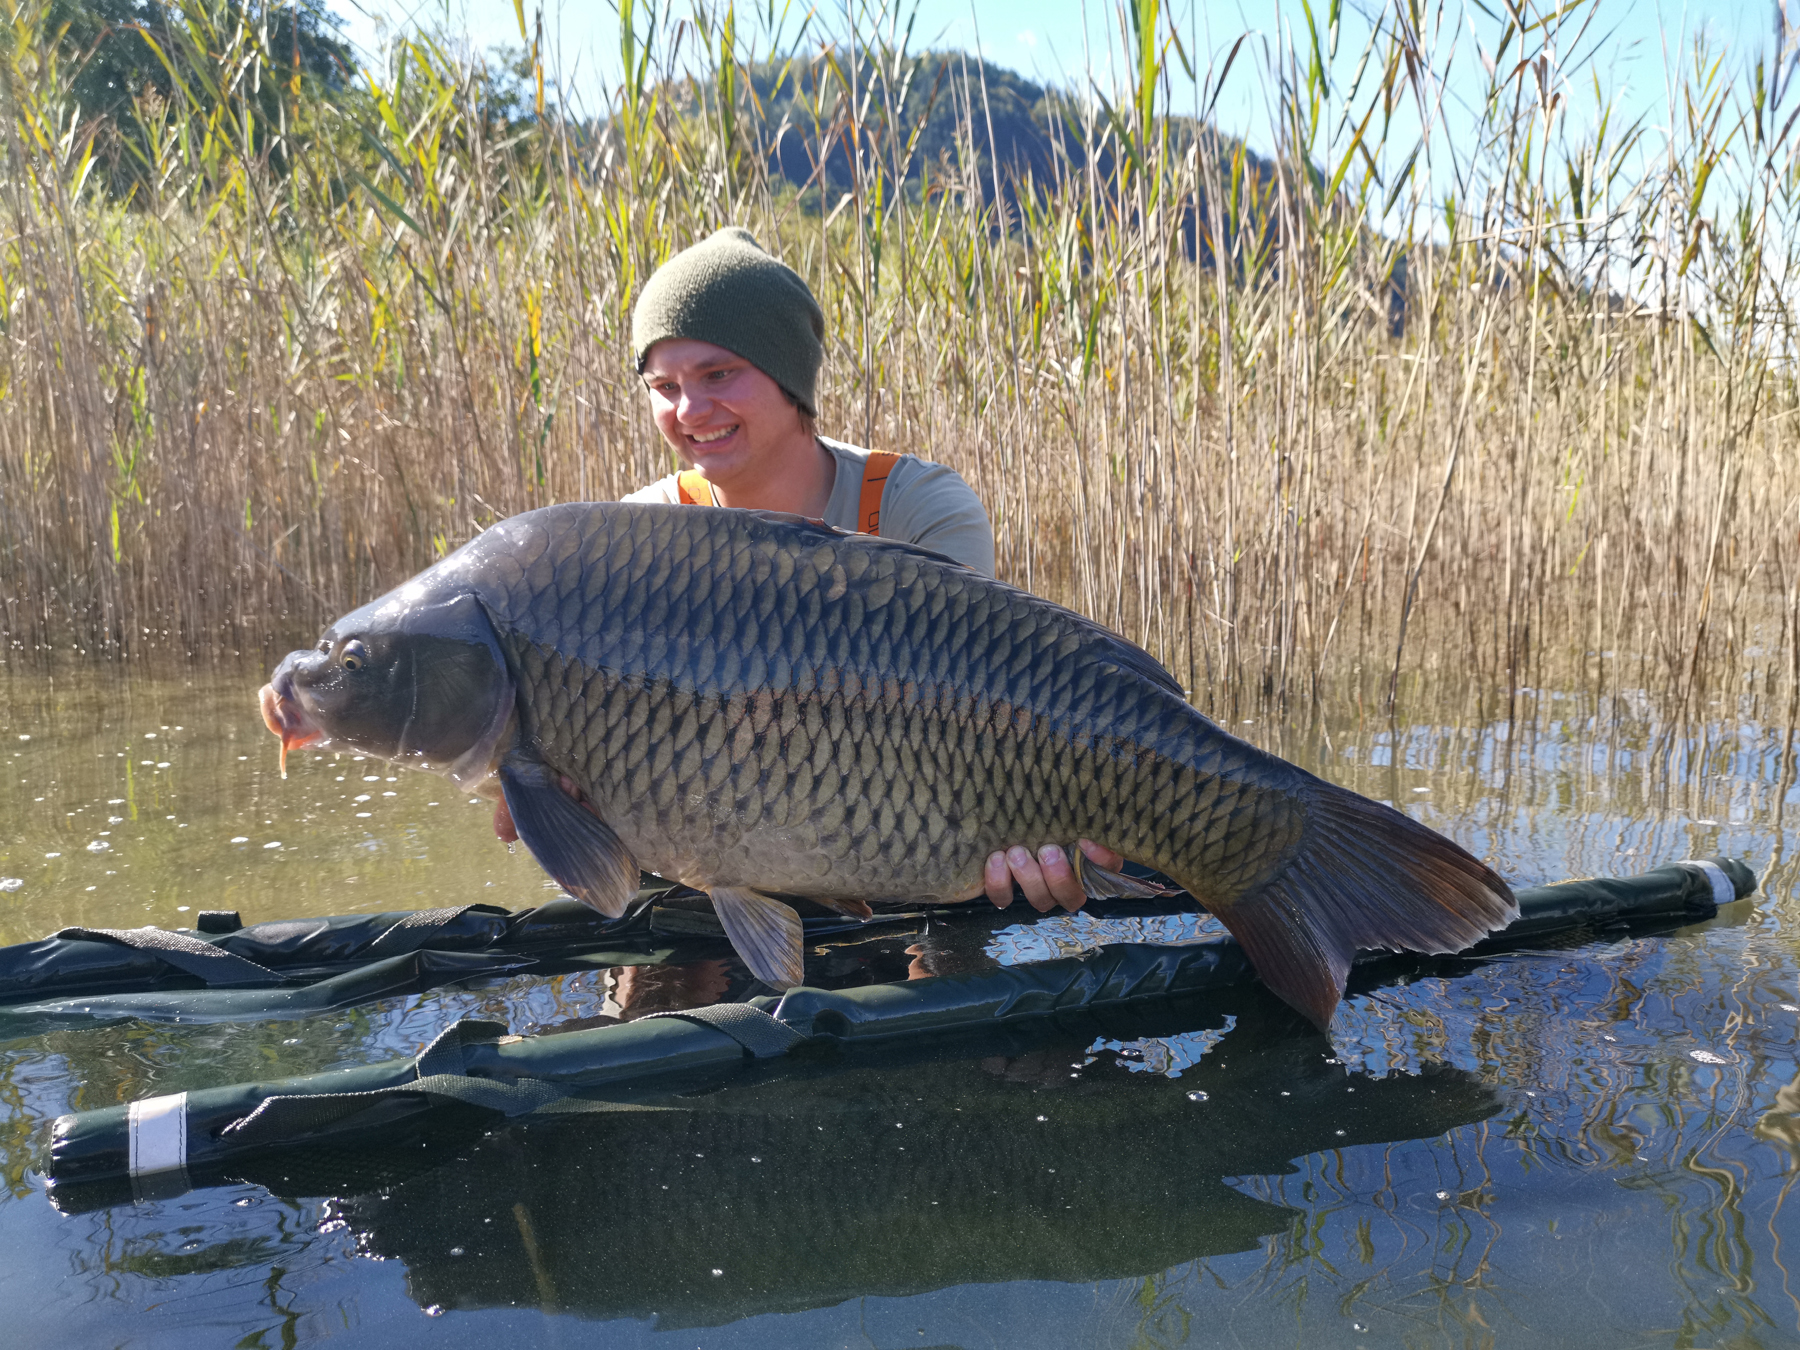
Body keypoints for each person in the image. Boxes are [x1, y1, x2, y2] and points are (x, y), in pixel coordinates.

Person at [624, 226, 1123, 915]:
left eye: (719, 375)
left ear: (788, 374)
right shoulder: (637, 540)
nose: (690, 410)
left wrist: (1047, 832)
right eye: (664, 386)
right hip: (702, 879)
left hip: (916, 848)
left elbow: (979, 727)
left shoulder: (918, 507)